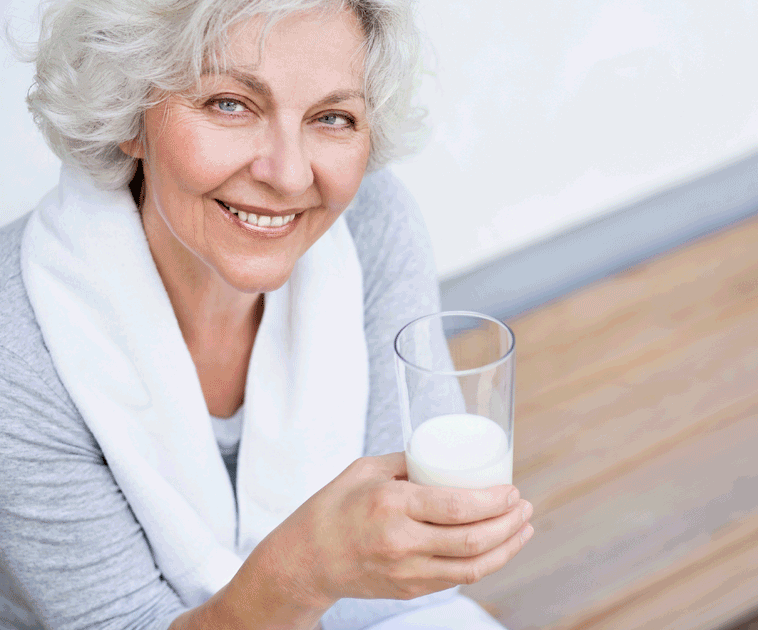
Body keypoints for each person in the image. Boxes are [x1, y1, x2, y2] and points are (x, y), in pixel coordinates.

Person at [0, 1, 534, 628]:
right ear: (129, 113)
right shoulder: (19, 336)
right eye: (230, 104)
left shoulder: (371, 225)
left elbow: (419, 576)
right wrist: (306, 568)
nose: (286, 175)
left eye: (332, 117)